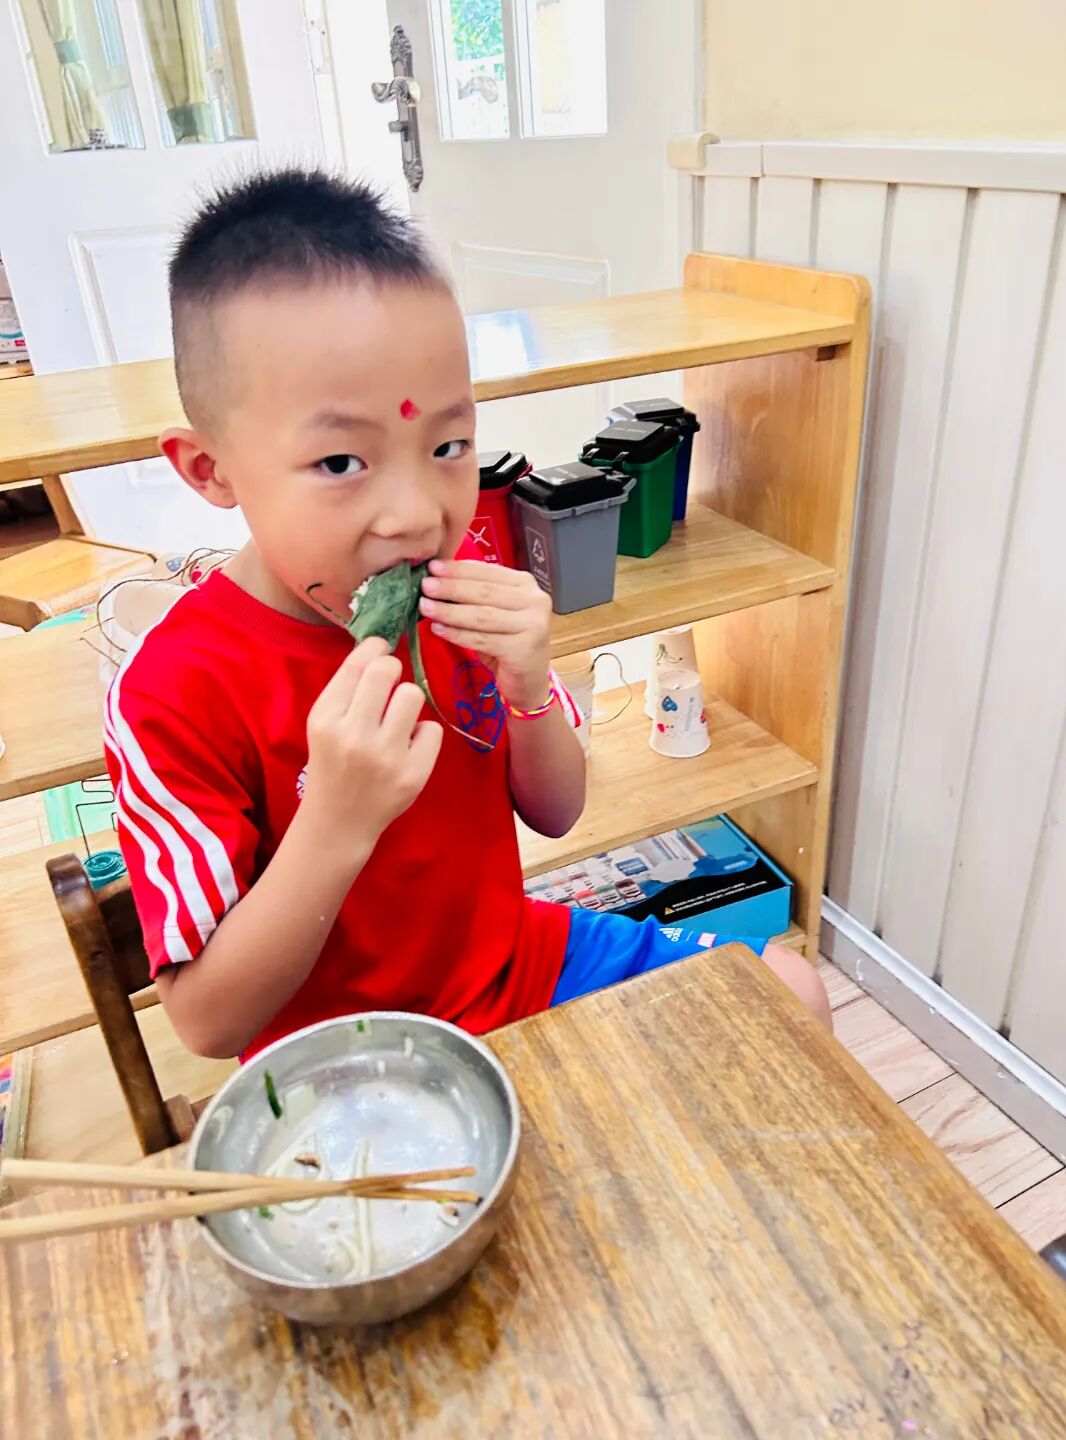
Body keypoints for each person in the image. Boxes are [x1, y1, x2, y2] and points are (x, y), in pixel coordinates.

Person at [104, 169, 830, 1061]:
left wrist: (530, 686)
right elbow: (209, 1024)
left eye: (448, 444)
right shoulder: (173, 691)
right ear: (209, 470)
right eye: (340, 463)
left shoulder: (463, 599)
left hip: (517, 965)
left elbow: (557, 814)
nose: (418, 515)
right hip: (347, 1054)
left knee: (792, 993)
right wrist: (336, 821)